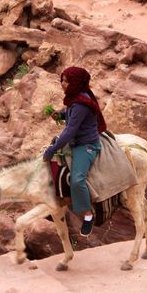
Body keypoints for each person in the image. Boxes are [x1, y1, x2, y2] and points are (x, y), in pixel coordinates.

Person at [43, 66, 107, 237]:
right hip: (74, 141)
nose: (62, 84)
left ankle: (88, 215)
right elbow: (71, 114)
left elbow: (70, 131)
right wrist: (61, 115)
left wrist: (53, 149)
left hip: (85, 145)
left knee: (78, 179)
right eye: (62, 80)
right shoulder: (75, 99)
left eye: (66, 81)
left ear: (76, 83)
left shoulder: (81, 103)